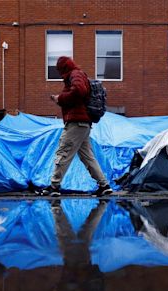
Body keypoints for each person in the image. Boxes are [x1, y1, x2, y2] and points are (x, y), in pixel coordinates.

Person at [37, 56, 113, 197]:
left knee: (63, 152)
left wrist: (60, 98)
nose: (60, 74)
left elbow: (79, 91)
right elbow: (78, 92)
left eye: (60, 70)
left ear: (64, 68)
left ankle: (54, 186)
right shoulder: (76, 75)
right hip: (83, 124)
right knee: (88, 157)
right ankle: (104, 186)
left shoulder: (75, 74)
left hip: (76, 123)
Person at [51, 200, 106, 291]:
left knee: (84, 233)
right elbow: (76, 287)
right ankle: (57, 209)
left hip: (78, 264)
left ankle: (100, 209)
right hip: (77, 265)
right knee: (72, 233)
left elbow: (68, 286)